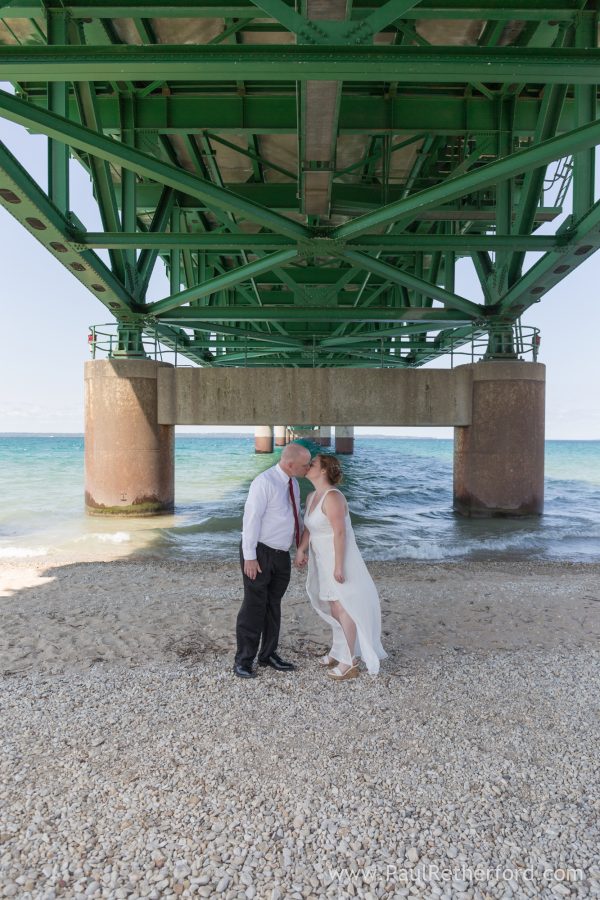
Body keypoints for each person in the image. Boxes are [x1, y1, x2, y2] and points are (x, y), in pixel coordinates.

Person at [294, 453, 387, 680]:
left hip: (339, 560)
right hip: (322, 559)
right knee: (334, 607)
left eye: (312, 464)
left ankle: (349, 660)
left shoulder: (333, 497)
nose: (307, 466)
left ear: (324, 470)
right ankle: (339, 651)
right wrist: (301, 549)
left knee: (344, 607)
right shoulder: (312, 496)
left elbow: (340, 533)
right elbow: (310, 528)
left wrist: (338, 566)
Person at [234, 441, 312, 679]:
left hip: (281, 555)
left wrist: (300, 548)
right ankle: (243, 660)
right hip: (259, 552)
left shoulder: (294, 483)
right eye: (304, 465)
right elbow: (251, 520)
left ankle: (267, 655)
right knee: (253, 606)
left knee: (273, 605)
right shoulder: (264, 482)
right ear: (289, 464)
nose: (308, 468)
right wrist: (249, 557)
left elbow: (294, 519)